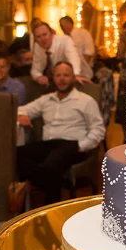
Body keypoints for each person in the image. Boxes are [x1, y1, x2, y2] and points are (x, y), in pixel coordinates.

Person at [16, 62, 105, 203]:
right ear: (53, 78)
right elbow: (21, 110)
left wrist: (81, 146)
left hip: (73, 145)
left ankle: (47, 203)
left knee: (52, 164)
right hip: (48, 145)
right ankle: (54, 200)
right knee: (16, 155)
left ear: (73, 78)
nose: (62, 79)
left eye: (66, 75)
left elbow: (98, 130)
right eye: (58, 75)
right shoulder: (46, 100)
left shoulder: (86, 101)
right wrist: (21, 116)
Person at [31, 21, 89, 86]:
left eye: (44, 34)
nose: (42, 39)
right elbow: (35, 69)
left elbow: (74, 60)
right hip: (59, 81)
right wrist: (38, 77)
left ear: (51, 33)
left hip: (82, 76)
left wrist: (75, 74)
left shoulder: (65, 41)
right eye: (38, 36)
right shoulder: (37, 47)